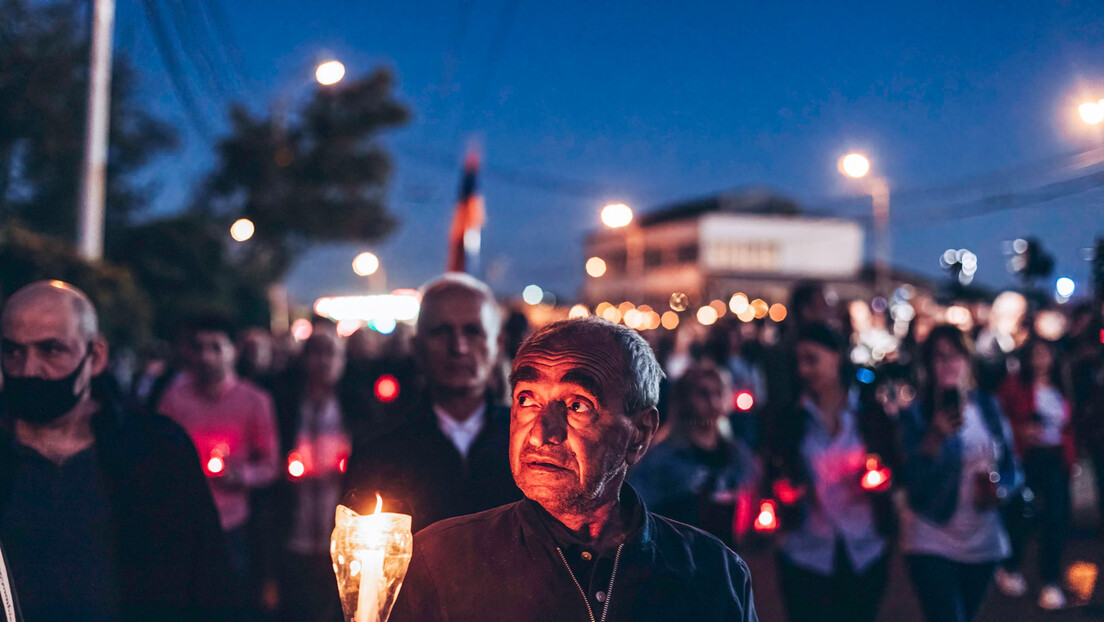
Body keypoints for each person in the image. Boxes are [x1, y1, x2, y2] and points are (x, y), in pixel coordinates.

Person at [390, 317, 758, 622]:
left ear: (640, 434)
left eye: (577, 405)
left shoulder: (713, 575)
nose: (541, 433)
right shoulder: (440, 560)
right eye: (527, 399)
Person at [0, 280, 234, 620]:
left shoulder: (157, 451)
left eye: (50, 350)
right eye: (13, 351)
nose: (28, 369)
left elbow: (208, 579)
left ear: (94, 356)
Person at [343, 273, 520, 532]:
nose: (458, 347)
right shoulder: (379, 447)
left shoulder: (530, 442)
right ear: (416, 346)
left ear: (498, 344)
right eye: (441, 332)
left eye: (473, 331)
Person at [766, 323, 898, 622]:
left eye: (812, 359)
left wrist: (882, 481)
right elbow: (775, 471)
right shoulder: (791, 418)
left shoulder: (869, 413)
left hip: (865, 547)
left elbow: (895, 465)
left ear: (837, 356)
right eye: (798, 362)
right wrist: (785, 490)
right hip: (806, 549)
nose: (804, 370)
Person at [899, 325, 1020, 622]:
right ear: (927, 364)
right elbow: (910, 483)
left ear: (968, 360)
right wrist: (932, 441)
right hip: (930, 536)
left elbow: (1012, 466)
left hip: (983, 540)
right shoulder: (915, 414)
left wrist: (1000, 490)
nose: (948, 364)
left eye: (955, 356)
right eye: (939, 357)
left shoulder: (988, 407)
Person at [156, 314, 281, 587]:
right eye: (199, 348)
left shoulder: (255, 401)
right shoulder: (173, 400)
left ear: (233, 351)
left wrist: (242, 475)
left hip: (233, 523)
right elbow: (158, 457)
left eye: (215, 347)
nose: (206, 357)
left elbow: (271, 464)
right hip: (184, 521)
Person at [265, 331, 352, 621]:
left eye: (332, 353)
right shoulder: (286, 403)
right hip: (295, 516)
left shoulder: (356, 405)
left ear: (343, 360)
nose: (324, 361)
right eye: (317, 353)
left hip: (336, 511)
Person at [629, 361, 760, 546]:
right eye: (703, 394)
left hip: (727, 559)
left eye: (718, 393)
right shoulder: (663, 457)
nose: (713, 402)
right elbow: (637, 512)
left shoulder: (737, 453)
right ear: (685, 399)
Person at [994, 336, 1074, 609]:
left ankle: (1050, 579)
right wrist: (1020, 431)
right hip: (1026, 458)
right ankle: (1011, 565)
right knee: (1021, 514)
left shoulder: (1061, 385)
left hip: (1055, 458)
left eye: (1046, 353)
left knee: (1056, 517)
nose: (1042, 360)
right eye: (1036, 354)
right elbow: (997, 416)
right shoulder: (1016, 385)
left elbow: (1068, 425)